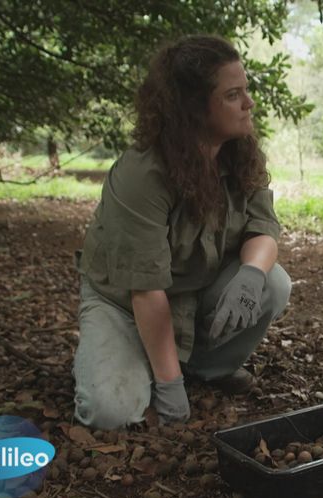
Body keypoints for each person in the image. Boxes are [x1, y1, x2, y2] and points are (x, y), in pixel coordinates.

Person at [72, 35, 291, 430]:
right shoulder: (144, 173)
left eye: (246, 90)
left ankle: (206, 369)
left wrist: (251, 274)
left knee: (272, 282)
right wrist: (169, 387)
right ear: (194, 108)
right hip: (124, 301)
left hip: (195, 291)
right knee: (110, 413)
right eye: (232, 95)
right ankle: (156, 367)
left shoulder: (239, 152)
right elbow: (145, 289)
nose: (249, 104)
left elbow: (262, 225)